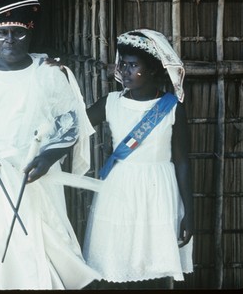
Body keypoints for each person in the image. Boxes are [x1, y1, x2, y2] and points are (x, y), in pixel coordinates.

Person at [0, 0, 101, 290]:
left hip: (38, 173)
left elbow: (69, 125)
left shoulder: (48, 73)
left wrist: (46, 158)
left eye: (17, 34)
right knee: (6, 249)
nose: (9, 41)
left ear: (29, 34)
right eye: (2, 33)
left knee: (52, 240)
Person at [82, 29, 194, 289]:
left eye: (133, 65)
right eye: (123, 64)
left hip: (159, 193)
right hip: (119, 190)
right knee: (113, 264)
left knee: (153, 268)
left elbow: (183, 162)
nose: (125, 70)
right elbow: (74, 125)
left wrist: (190, 213)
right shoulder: (109, 103)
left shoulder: (172, 108)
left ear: (153, 69)